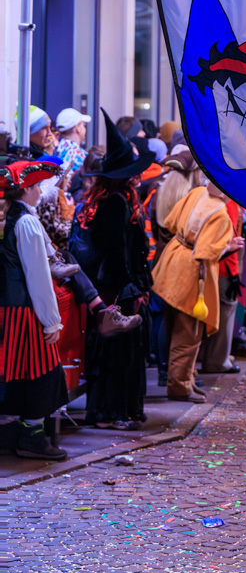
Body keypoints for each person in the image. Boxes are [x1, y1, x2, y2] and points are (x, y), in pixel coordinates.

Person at [72, 110, 154, 429]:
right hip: (117, 289)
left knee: (111, 349)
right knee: (119, 350)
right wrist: (132, 285)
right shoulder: (117, 203)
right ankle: (113, 410)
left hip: (111, 287)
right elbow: (117, 250)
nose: (137, 177)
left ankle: (109, 409)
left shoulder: (106, 200)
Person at [0, 158, 69, 460]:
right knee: (42, 373)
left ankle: (18, 433)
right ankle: (32, 436)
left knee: (14, 374)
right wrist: (51, 320)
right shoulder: (26, 222)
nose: (41, 191)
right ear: (26, 189)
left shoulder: (13, 218)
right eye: (37, 186)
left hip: (9, 309)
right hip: (22, 313)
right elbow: (37, 276)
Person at [152, 181, 233, 402]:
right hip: (192, 273)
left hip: (172, 262)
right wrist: (228, 247)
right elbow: (206, 252)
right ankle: (179, 386)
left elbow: (169, 222)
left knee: (174, 326)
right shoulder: (221, 215)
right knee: (189, 333)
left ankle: (184, 380)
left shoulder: (196, 193)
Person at [198, 195, 244, 375]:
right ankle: (217, 360)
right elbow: (227, 239)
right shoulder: (228, 203)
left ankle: (215, 356)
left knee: (219, 315)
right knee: (223, 316)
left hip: (222, 267)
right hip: (223, 267)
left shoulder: (226, 201)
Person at [54, 108, 91, 173]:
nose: (85, 128)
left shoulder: (57, 150)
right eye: (83, 125)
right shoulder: (77, 154)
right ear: (77, 128)